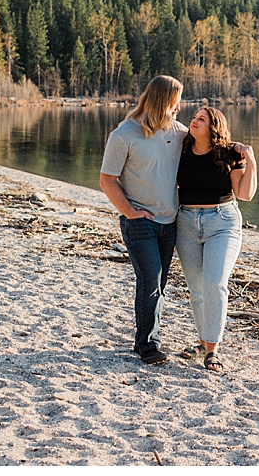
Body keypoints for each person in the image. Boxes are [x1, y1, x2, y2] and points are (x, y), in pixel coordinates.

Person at [99, 75, 186, 365]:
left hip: (169, 222)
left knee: (160, 284)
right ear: (164, 102)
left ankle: (147, 339)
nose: (180, 107)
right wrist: (130, 212)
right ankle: (148, 344)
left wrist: (236, 148)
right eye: (176, 101)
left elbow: (208, 144)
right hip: (140, 222)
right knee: (150, 279)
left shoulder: (178, 131)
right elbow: (107, 180)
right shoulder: (124, 134)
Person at [174, 107, 258, 372]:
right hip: (186, 222)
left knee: (215, 283)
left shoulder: (229, 154)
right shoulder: (181, 149)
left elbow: (244, 194)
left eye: (201, 119)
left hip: (222, 223)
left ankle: (213, 350)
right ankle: (203, 341)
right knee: (197, 290)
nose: (194, 121)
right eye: (195, 117)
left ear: (214, 127)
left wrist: (251, 162)